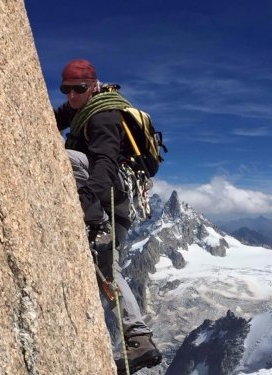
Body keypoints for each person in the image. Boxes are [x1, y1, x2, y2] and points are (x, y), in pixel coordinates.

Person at [54, 59, 162, 374]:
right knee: (108, 270)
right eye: (66, 89)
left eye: (79, 89)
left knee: (60, 155)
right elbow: (48, 119)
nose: (72, 96)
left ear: (94, 85)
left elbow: (104, 163)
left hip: (110, 197)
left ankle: (97, 221)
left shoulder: (103, 116)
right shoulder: (80, 108)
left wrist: (87, 202)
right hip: (116, 202)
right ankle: (139, 339)